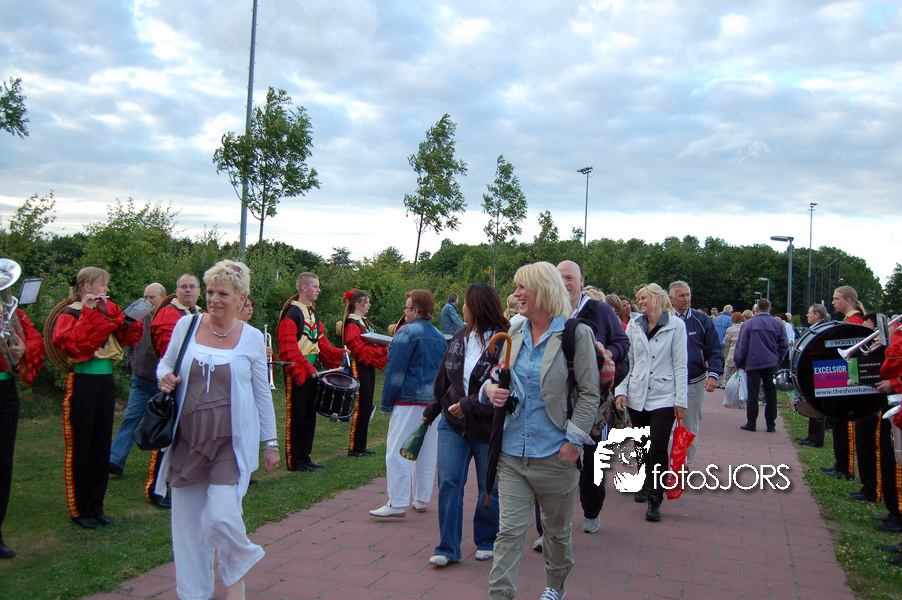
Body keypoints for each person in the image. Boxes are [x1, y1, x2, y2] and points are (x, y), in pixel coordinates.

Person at [156, 260, 278, 600]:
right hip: (188, 440)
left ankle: (236, 569)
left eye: (223, 294)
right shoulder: (187, 326)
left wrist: (270, 442)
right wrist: (164, 377)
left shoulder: (252, 338)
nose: (213, 299)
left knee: (222, 516)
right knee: (188, 529)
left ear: (241, 299)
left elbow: (262, 393)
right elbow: (165, 363)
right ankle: (194, 593)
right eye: (210, 292)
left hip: (229, 444)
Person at [484, 262, 599, 600]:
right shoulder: (515, 330)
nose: (517, 294)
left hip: (555, 456)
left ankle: (555, 587)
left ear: (544, 290)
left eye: (523, 287)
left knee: (556, 534)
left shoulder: (575, 334)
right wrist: (490, 390)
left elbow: (590, 393)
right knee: (509, 533)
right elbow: (495, 375)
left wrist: (573, 443)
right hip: (512, 454)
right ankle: (500, 594)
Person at [423, 284, 508, 567]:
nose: (462, 308)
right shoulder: (460, 336)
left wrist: (471, 404)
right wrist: (434, 408)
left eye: (466, 303)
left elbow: (503, 386)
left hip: (488, 427)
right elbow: (444, 377)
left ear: (477, 306)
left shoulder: (505, 340)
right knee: (449, 483)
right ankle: (447, 548)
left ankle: (486, 540)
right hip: (453, 423)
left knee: (488, 486)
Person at [52, 267, 144, 529]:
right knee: (81, 446)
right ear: (87, 286)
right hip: (82, 381)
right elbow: (77, 344)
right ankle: (79, 509)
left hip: (105, 381)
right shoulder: (69, 314)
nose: (106, 289)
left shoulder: (106, 311)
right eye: (102, 285)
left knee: (101, 445)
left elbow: (127, 337)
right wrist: (90, 312)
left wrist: (125, 318)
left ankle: (96, 505)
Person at [555, 260, 629, 535]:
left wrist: (606, 354)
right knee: (555, 461)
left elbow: (622, 344)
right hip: (558, 399)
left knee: (593, 457)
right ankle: (553, 524)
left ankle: (591, 510)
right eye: (560, 277)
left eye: (570, 277)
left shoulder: (600, 310)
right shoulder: (551, 310)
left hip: (593, 400)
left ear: (581, 281)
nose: (565, 283)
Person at [614, 283, 687, 522]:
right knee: (642, 445)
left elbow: (680, 364)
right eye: (638, 298)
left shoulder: (676, 326)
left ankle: (656, 497)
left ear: (657, 298)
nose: (640, 301)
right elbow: (628, 361)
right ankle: (644, 482)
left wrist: (681, 399)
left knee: (657, 447)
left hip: (664, 395)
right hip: (637, 394)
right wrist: (621, 391)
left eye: (644, 297)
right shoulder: (635, 325)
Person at [370, 290, 446, 517]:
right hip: (433, 401)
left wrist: (387, 402)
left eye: (407, 307)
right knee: (427, 451)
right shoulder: (440, 336)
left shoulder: (406, 333)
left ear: (415, 310)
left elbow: (395, 371)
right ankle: (421, 499)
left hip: (408, 400)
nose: (405, 311)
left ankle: (397, 502)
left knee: (398, 450)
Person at [277, 272, 345, 471]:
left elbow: (320, 341)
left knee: (309, 414)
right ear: (304, 288)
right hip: (297, 370)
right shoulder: (292, 313)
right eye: (315, 286)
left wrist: (339, 353)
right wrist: (307, 367)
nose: (319, 290)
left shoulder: (312, 312)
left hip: (311, 371)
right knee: (297, 414)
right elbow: (288, 346)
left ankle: (305, 456)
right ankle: (295, 460)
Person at [147, 274, 204, 509]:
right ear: (177, 290)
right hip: (175, 383)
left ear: (199, 291)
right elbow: (166, 351)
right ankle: (156, 488)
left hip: (197, 385)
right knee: (165, 437)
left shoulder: (201, 313)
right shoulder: (168, 313)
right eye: (183, 287)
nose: (188, 290)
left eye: (192, 287)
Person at [0, 302, 44, 558]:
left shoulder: (10, 313)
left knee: (3, 464)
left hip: (6, 392)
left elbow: (36, 339)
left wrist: (24, 347)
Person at [109, 282, 166, 478]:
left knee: (160, 424)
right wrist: (133, 362)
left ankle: (160, 468)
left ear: (163, 298)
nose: (148, 301)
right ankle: (115, 461)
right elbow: (129, 340)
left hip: (161, 383)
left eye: (152, 297)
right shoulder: (139, 318)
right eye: (146, 297)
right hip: (140, 379)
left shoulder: (168, 320)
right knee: (131, 417)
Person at [668, 281, 723, 465]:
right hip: (668, 382)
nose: (686, 299)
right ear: (671, 298)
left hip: (694, 381)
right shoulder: (664, 319)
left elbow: (714, 349)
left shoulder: (702, 320)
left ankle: (684, 463)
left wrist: (714, 374)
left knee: (690, 425)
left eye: (688, 295)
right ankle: (668, 463)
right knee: (666, 426)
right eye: (682, 296)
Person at [821, 286, 866, 481]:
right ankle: (840, 463)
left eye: (836, 298)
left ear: (848, 300)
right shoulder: (849, 320)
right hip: (843, 374)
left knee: (844, 422)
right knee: (838, 421)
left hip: (848, 376)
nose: (833, 302)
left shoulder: (854, 321)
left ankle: (846, 466)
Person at [342, 289, 388, 457]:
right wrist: (379, 352)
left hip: (368, 365)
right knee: (361, 404)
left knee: (367, 404)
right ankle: (355, 446)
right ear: (358, 304)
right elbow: (356, 347)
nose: (369, 305)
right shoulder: (352, 323)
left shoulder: (364, 321)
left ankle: (362, 445)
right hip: (359, 365)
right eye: (366, 302)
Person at [733, 298, 789, 433]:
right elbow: (784, 344)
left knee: (752, 394)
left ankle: (751, 422)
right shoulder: (778, 324)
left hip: (753, 363)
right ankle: (771, 424)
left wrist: (738, 361)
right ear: (770, 309)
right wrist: (778, 358)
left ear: (756, 309)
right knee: (771, 394)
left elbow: (742, 345)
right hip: (771, 363)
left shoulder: (749, 324)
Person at [796, 304, 830, 448]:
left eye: (810, 313)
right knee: (812, 402)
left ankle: (816, 439)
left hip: (818, 370)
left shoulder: (821, 329)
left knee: (817, 404)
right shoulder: (816, 328)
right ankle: (811, 436)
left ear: (817, 315)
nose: (807, 315)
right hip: (813, 369)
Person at [721, 311, 746, 385]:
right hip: (743, 354)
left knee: (727, 376)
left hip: (732, 354)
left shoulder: (730, 330)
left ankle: (726, 387)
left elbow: (726, 344)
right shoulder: (745, 328)